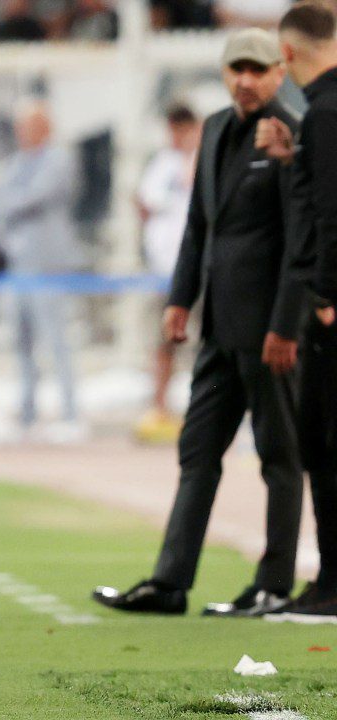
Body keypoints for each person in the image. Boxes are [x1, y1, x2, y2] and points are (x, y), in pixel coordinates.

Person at [94, 28, 308, 618]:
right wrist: (180, 298)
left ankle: (274, 584)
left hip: (270, 333)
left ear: (279, 72)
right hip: (218, 326)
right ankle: (169, 583)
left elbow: (301, 240)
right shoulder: (213, 128)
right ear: (224, 72)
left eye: (258, 69)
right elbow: (198, 224)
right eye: (238, 68)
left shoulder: (293, 133)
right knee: (197, 450)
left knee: (279, 456)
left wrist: (286, 326)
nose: (247, 79)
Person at [259, 0, 337, 621]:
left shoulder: (327, 113)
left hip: (330, 309)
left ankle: (333, 584)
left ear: (285, 54)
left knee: (323, 442)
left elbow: (331, 217)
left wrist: (328, 297)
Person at [0, 101, 83, 430]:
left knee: (56, 340)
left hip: (48, 266)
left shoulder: (58, 159)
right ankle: (27, 410)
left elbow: (34, 196)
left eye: (28, 126)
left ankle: (70, 411)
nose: (22, 133)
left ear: (44, 128)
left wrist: (6, 203)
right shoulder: (16, 163)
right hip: (17, 268)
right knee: (21, 341)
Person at [134, 105, 203, 443]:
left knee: (205, 342)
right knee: (164, 341)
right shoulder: (162, 163)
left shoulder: (205, 158)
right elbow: (144, 202)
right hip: (165, 271)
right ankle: (160, 408)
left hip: (201, 269)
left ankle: (206, 411)